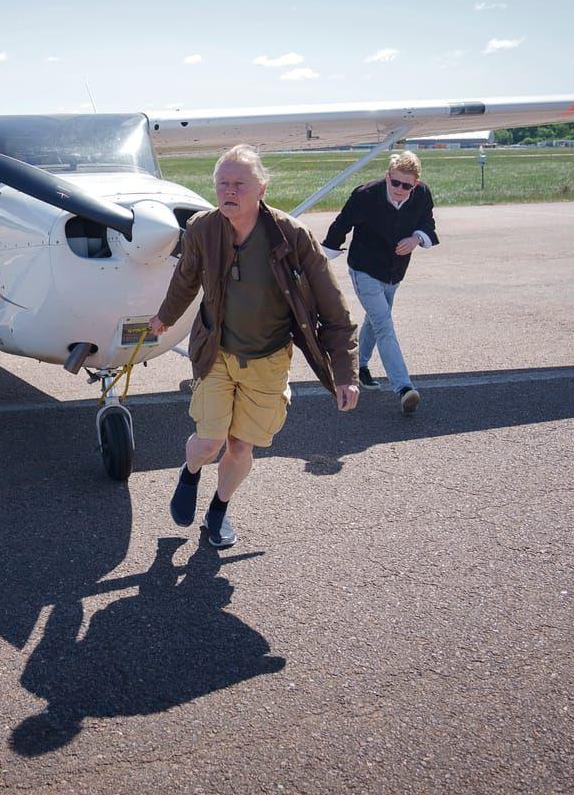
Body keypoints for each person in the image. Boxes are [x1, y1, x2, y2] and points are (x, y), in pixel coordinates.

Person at [148, 144, 360, 548]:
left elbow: (334, 309)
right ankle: (190, 471)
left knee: (240, 444)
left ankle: (219, 510)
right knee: (209, 442)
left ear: (261, 188)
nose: (229, 190)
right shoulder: (202, 228)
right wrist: (165, 316)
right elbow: (186, 278)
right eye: (222, 183)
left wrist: (345, 374)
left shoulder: (292, 235)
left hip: (268, 359)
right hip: (216, 352)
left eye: (239, 184)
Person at [321, 150, 438, 415]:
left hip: (394, 272)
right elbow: (342, 224)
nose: (399, 189)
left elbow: (427, 222)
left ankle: (359, 368)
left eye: (406, 185)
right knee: (385, 325)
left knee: (376, 321)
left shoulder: (421, 195)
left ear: (415, 185)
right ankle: (404, 388)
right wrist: (324, 258)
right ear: (387, 177)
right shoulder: (365, 195)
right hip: (364, 270)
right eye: (395, 182)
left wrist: (417, 239)